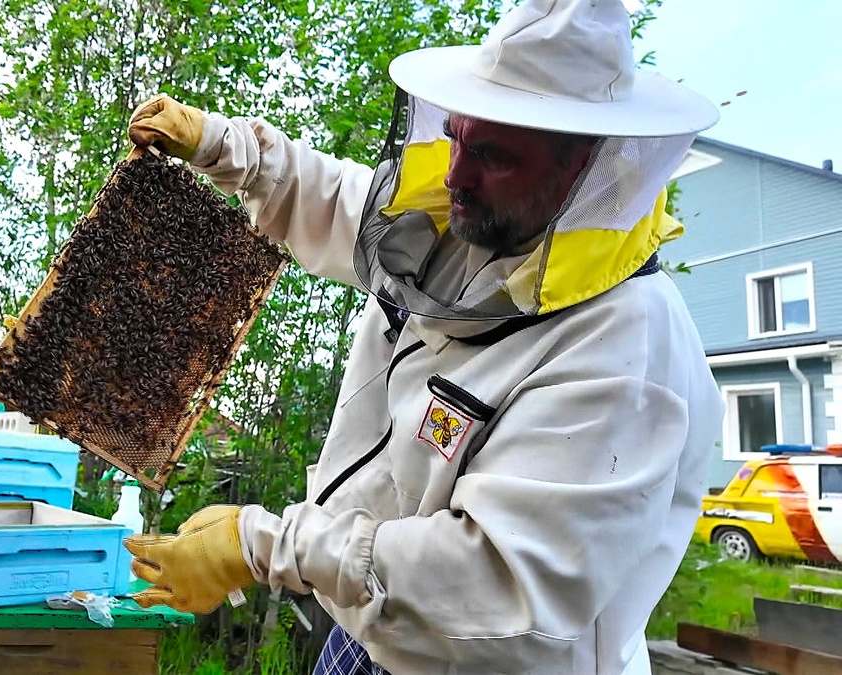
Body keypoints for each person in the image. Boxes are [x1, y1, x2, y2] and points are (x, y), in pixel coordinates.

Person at [123, 0, 725, 673]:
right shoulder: (485, 229)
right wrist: (221, 146)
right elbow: (344, 202)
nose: (456, 174)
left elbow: (493, 580)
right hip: (367, 632)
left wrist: (268, 545)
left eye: (493, 155)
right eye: (459, 136)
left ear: (581, 163)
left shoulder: (625, 351)